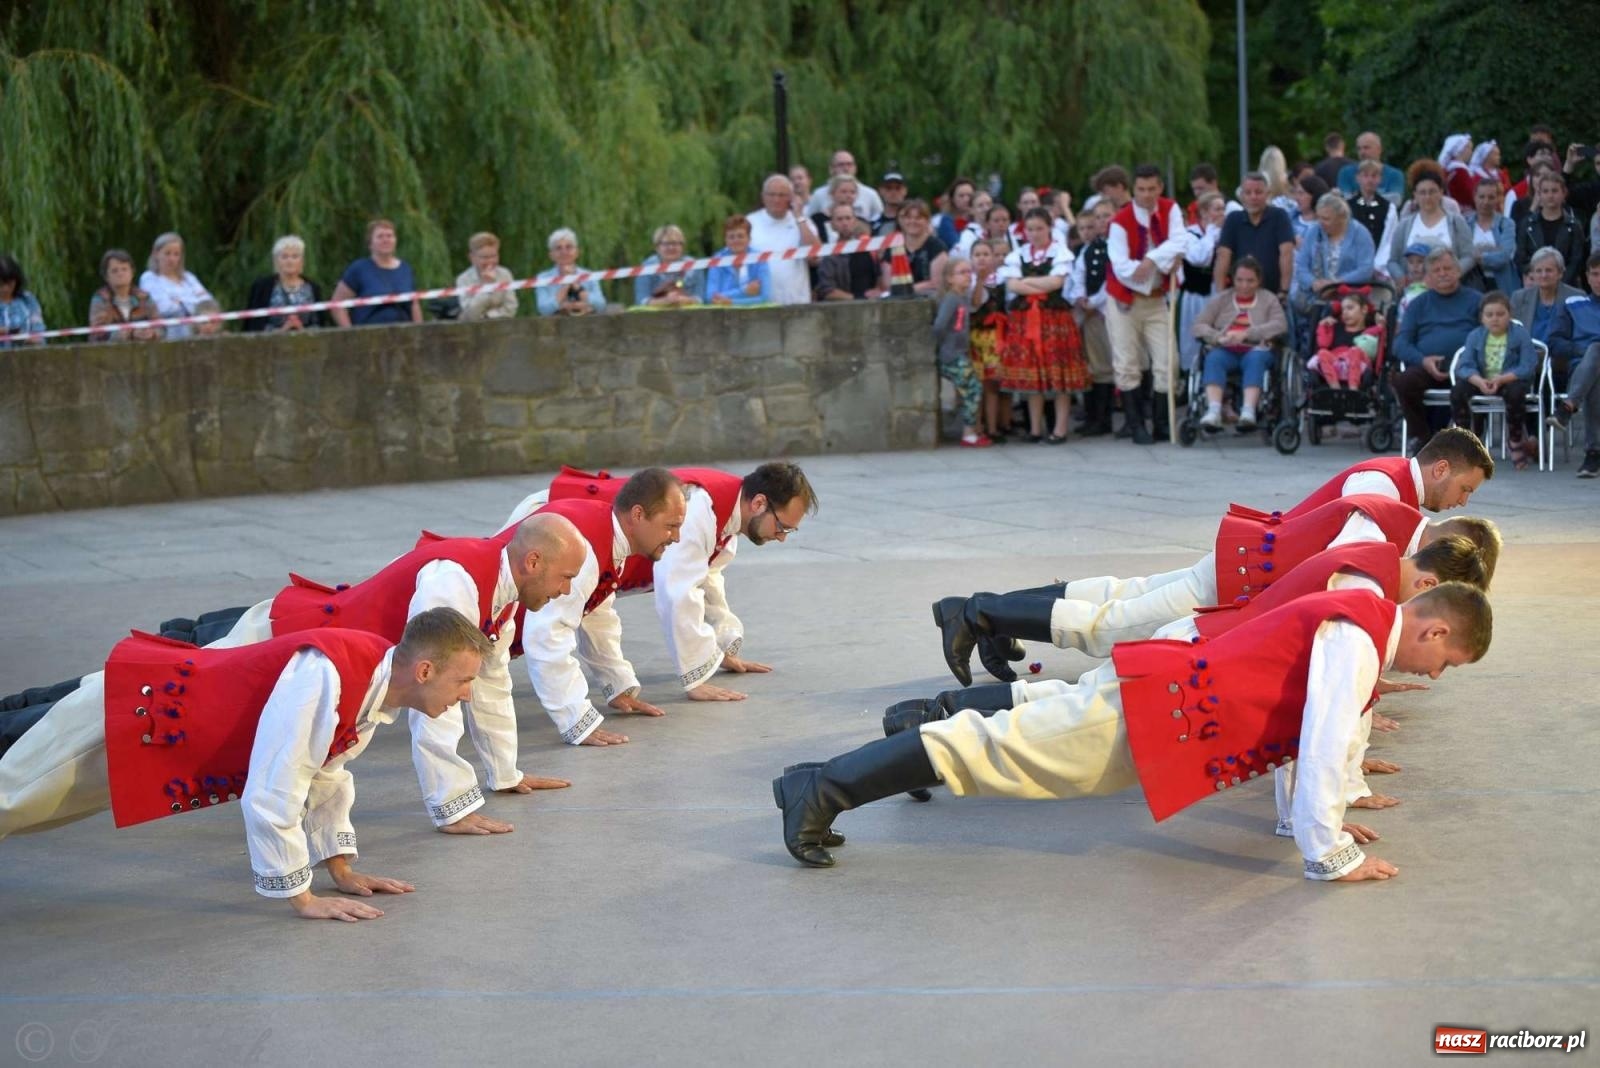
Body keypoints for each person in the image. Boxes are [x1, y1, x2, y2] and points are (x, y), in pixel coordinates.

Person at [777, 583, 1492, 881]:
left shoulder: (1362, 614)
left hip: (1169, 695)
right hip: (1166, 709)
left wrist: (1307, 824)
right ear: (1432, 627)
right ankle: (822, 788)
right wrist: (1328, 851)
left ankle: (826, 779)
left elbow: (1305, 737)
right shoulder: (1361, 636)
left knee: (1020, 734)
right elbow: (1326, 737)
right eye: (1445, 660)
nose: (1434, 675)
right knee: (1000, 749)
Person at [0, 607, 492, 920]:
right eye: (463, 680)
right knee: (9, 801)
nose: (467, 694)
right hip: (124, 721)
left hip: (148, 737)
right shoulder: (331, 675)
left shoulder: (373, 686)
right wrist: (302, 898)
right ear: (424, 670)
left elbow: (326, 776)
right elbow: (274, 787)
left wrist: (339, 870)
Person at [934, 492, 1433, 680]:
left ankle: (979, 613)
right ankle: (978, 614)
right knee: (1111, 627)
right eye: (1465, 488)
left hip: (1237, 570)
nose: (1459, 498)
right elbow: (1332, 587)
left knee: (1117, 599)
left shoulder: (1397, 508)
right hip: (1233, 581)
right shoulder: (1388, 505)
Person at [538, 463, 817, 701]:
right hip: (550, 524)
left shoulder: (727, 512)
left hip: (570, 537)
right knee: (513, 625)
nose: (782, 537)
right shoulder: (700, 506)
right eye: (782, 527)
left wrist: (720, 648)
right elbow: (678, 591)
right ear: (758, 504)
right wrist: (696, 675)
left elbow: (707, 579)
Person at [495, 469, 689, 746]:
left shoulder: (609, 534)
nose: (677, 537)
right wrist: (576, 720)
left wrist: (618, 686)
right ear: (637, 515)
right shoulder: (584, 548)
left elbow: (597, 615)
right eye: (671, 525)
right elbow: (548, 635)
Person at [1105, 163, 1190, 444]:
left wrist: (1153, 259)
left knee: (1168, 360)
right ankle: (1135, 423)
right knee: (1127, 361)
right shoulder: (1120, 220)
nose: (1146, 195)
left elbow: (1180, 242)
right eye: (1141, 189)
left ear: (1160, 188)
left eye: (1152, 189)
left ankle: (1162, 422)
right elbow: (1121, 267)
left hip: (1156, 299)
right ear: (1134, 189)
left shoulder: (1170, 209)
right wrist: (1161, 263)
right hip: (1125, 299)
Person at [996, 206, 1082, 443]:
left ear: (1049, 228)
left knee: (1059, 376)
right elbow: (1012, 286)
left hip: (1055, 319)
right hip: (1027, 321)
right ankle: (1035, 428)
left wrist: (1028, 281)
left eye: (1039, 229)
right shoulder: (1018, 254)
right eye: (1030, 229)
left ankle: (1060, 428)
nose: (1034, 234)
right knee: (1034, 377)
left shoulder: (1060, 252)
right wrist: (1037, 285)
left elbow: (1056, 282)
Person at [1393, 249, 1485, 450]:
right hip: (1428, 367)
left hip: (1466, 369)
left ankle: (1470, 444)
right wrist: (1423, 360)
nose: (1443, 273)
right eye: (1436, 270)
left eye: (1447, 268)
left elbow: (1489, 336)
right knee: (1403, 380)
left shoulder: (1477, 300)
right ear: (1428, 277)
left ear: (1458, 271)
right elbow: (1400, 343)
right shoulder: (1418, 304)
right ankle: (1424, 439)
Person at [1190, 257, 1286, 431]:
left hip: (1256, 349)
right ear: (1232, 280)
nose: (1244, 286)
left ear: (1259, 281)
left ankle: (1248, 411)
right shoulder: (1221, 299)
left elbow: (1280, 324)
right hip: (1226, 349)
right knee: (1213, 358)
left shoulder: (1268, 299)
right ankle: (1214, 411)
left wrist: (1248, 334)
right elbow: (1198, 325)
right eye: (1240, 280)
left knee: (1255, 359)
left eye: (1250, 281)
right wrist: (1217, 337)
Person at [1451, 290, 1538, 468]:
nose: (1495, 319)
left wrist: (1502, 379)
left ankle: (1515, 439)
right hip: (1482, 380)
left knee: (1516, 393)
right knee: (1457, 391)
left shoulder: (1520, 334)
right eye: (1489, 315)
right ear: (1482, 317)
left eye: (1500, 314)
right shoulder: (1475, 335)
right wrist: (1479, 381)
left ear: (1510, 315)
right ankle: (1466, 442)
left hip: (1509, 380)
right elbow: (1465, 365)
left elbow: (1528, 365)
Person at [1545, 254, 1600, 478]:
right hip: (1581, 370)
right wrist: (1587, 351)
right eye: (1595, 274)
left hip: (1583, 380)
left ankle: (1567, 408)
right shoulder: (1571, 305)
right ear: (1587, 277)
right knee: (1596, 354)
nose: (1599, 280)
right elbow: (1555, 342)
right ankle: (1593, 452)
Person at [1066, 200, 1116, 436]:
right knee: (1092, 366)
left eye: (1106, 216)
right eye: (1098, 217)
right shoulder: (1087, 249)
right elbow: (1078, 276)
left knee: (1104, 365)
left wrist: (1093, 302)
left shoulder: (1115, 246)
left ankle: (1104, 419)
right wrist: (1080, 298)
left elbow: (1113, 278)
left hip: (1106, 311)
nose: (1100, 222)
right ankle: (1093, 417)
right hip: (1088, 313)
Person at [934, 257, 991, 447]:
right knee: (973, 389)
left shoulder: (961, 297)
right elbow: (940, 325)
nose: (968, 276)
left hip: (958, 352)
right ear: (950, 278)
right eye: (962, 272)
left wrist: (980, 280)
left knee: (971, 389)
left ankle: (971, 430)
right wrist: (943, 346)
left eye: (969, 272)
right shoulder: (951, 299)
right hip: (952, 354)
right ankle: (968, 432)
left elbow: (976, 301)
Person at [1291, 193, 1376, 318]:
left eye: (1326, 219)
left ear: (1342, 218)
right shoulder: (1314, 231)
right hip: (1315, 297)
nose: (1321, 222)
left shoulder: (1360, 233)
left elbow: (1365, 270)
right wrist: (1314, 283)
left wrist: (1336, 284)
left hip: (1349, 298)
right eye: (1319, 217)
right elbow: (1301, 266)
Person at [1214, 171, 1296, 300]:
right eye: (1248, 193)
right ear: (1241, 196)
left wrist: (1284, 291)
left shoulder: (1279, 216)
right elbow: (1223, 255)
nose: (1253, 197)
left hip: (1273, 295)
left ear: (1267, 194)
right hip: (1239, 295)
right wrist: (1220, 294)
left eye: (1258, 192)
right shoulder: (1233, 219)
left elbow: (1286, 253)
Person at [1386, 172, 1476, 289]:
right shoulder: (1404, 225)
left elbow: (1469, 256)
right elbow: (1393, 261)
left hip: (1449, 288)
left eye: (1432, 191)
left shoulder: (1456, 222)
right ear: (1415, 195)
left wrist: (1453, 273)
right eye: (1422, 193)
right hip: (1413, 290)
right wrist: (1401, 277)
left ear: (1441, 192)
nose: (1427, 197)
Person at [329, 219, 423, 327]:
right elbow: (337, 304)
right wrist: (350, 334)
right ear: (370, 243)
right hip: (369, 335)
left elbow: (414, 305)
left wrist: (419, 332)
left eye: (389, 236)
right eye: (380, 236)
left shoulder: (406, 269)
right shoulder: (359, 269)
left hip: (405, 333)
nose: (385, 240)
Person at [748, 173, 819, 306]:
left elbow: (815, 257)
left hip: (796, 301)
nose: (776, 199)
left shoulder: (803, 222)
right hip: (759, 303)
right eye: (771, 194)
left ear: (791, 198)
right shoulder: (750, 222)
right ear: (763, 197)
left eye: (782, 195)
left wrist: (799, 216)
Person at [966, 239, 1011, 440]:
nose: (982, 258)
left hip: (997, 337)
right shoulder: (969, 281)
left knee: (994, 384)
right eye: (977, 255)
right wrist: (980, 281)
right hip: (975, 337)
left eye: (986, 254)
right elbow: (975, 304)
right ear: (971, 259)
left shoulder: (1003, 279)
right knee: (979, 384)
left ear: (993, 258)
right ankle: (979, 425)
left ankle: (996, 426)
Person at [1177, 192, 1227, 374]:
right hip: (1196, 294)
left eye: (1223, 208)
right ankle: (1191, 374)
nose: (1221, 213)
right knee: (1193, 338)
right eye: (1217, 209)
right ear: (1205, 212)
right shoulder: (1190, 235)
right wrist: (1212, 232)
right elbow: (1199, 258)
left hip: (1218, 291)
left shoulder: (1224, 233)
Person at [140, 232, 221, 338]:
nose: (172, 259)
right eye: (167, 253)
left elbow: (208, 303)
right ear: (156, 253)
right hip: (169, 337)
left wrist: (180, 302)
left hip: (198, 334)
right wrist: (193, 302)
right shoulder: (149, 278)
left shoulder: (189, 277)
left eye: (176, 254)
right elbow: (164, 307)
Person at [1514, 172, 1587, 286]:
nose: (1550, 195)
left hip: (1566, 285)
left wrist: (1559, 281)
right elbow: (1520, 257)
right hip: (1535, 284)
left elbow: (1576, 260)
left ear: (1564, 193)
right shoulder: (1527, 224)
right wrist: (1536, 276)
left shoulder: (1574, 225)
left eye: (1554, 191)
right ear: (1539, 194)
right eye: (1545, 191)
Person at [244, 235, 328, 332]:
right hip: (269, 344)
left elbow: (319, 324)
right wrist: (282, 330)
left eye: (295, 256)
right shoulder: (262, 287)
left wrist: (301, 329)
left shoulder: (313, 288)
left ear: (302, 261)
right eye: (284, 256)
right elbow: (253, 325)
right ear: (276, 261)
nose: (290, 261)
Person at [1309, 290, 1382, 390]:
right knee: (1322, 353)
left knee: (1355, 351)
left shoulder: (1369, 331)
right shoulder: (1335, 327)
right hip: (1336, 366)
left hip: (1358, 367)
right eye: (1343, 310)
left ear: (1364, 309)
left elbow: (1378, 342)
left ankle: (1353, 388)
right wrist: (1323, 326)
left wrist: (1381, 325)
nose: (1345, 313)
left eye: (1350, 308)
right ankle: (1334, 387)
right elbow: (1323, 344)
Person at [1510, 247, 1581, 346]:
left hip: (1563, 358)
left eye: (1549, 270)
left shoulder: (1576, 297)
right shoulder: (1519, 298)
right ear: (1533, 273)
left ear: (1560, 273)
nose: (1543, 275)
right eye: (1538, 271)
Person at [87, 249, 163, 342]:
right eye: (115, 271)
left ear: (132, 273)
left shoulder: (144, 297)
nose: (120, 274)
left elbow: (161, 327)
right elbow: (98, 334)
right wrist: (131, 333)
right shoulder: (101, 299)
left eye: (124, 269)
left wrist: (152, 333)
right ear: (106, 276)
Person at [877, 198, 946, 297]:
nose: (912, 221)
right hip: (898, 299)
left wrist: (906, 289)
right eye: (908, 217)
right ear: (901, 221)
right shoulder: (893, 246)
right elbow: (887, 283)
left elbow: (936, 283)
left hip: (928, 299)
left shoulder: (937, 247)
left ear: (927, 221)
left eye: (918, 218)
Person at [534, 227, 607, 316]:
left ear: (577, 253)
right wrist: (567, 284)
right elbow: (544, 309)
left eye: (569, 247)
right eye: (558, 248)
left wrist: (577, 286)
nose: (564, 252)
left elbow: (601, 305)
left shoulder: (589, 275)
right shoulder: (542, 278)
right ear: (551, 255)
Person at [815, 205, 883, 301]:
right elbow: (826, 290)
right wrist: (857, 298)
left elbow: (880, 278)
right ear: (832, 224)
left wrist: (877, 291)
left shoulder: (869, 249)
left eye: (848, 218)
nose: (845, 223)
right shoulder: (829, 255)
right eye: (839, 219)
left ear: (855, 221)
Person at [705, 215, 771, 306]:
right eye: (731, 237)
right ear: (725, 240)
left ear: (749, 239)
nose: (736, 240)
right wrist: (744, 291)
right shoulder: (717, 259)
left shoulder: (760, 259)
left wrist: (731, 302)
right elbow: (710, 297)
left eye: (740, 236)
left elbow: (765, 297)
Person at [634, 224, 705, 308]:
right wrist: (665, 301)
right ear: (657, 247)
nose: (671, 247)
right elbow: (642, 300)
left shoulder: (694, 266)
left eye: (675, 243)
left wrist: (684, 300)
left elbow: (701, 299)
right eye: (666, 244)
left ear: (682, 246)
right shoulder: (647, 267)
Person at [803, 149, 885, 222]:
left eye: (849, 164)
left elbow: (880, 219)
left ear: (855, 168)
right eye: (841, 165)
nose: (846, 168)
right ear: (831, 169)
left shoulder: (870, 194)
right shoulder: (819, 194)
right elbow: (809, 221)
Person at [1467, 179, 1519, 294]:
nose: (1486, 202)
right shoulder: (1465, 223)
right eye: (1481, 197)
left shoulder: (1506, 224)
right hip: (1472, 284)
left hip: (1501, 284)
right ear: (1474, 197)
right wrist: (1494, 250)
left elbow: (1505, 255)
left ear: (1497, 199)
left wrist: (1479, 257)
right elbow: (1461, 253)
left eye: (1491, 197)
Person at [1348, 160, 1399, 276]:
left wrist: (1377, 266)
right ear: (1358, 178)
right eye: (1365, 176)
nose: (1370, 180)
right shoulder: (1347, 207)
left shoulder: (1388, 208)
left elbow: (1390, 239)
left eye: (1374, 176)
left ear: (1380, 179)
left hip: (1380, 269)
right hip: (1352, 266)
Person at [455, 231, 519, 320]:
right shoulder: (463, 279)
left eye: (494, 256)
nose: (490, 261)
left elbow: (511, 308)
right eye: (484, 257)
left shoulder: (505, 274)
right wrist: (486, 288)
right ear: (472, 258)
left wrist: (488, 316)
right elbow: (470, 313)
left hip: (502, 324)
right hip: (472, 328)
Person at [1336, 131, 1407, 204]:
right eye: (1359, 148)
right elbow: (1345, 201)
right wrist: (1380, 198)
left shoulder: (1394, 174)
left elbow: (1395, 201)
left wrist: (1359, 197)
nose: (1362, 152)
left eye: (1366, 148)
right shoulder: (1346, 173)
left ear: (1379, 149)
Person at [0, 255, 45, 347]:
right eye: (1, 284)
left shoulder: (28, 300)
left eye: (10, 283)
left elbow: (39, 335)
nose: (6, 288)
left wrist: (22, 337)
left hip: (27, 357)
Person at [934, 176, 978, 248]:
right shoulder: (946, 221)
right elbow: (957, 246)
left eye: (969, 195)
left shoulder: (979, 219)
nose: (966, 199)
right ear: (953, 199)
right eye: (961, 196)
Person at [1438, 133, 1476, 206]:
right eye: (1469, 148)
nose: (1471, 152)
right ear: (1460, 149)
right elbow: (1470, 195)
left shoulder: (1451, 169)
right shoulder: (1460, 171)